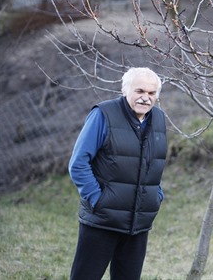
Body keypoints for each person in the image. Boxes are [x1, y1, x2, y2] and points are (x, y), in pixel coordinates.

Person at [68, 67, 168, 280]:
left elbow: (155, 164)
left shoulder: (159, 119)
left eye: (151, 93)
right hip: (102, 218)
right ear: (125, 90)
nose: (145, 98)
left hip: (138, 223)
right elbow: (78, 163)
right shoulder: (103, 114)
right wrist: (97, 199)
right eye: (140, 91)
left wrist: (155, 197)